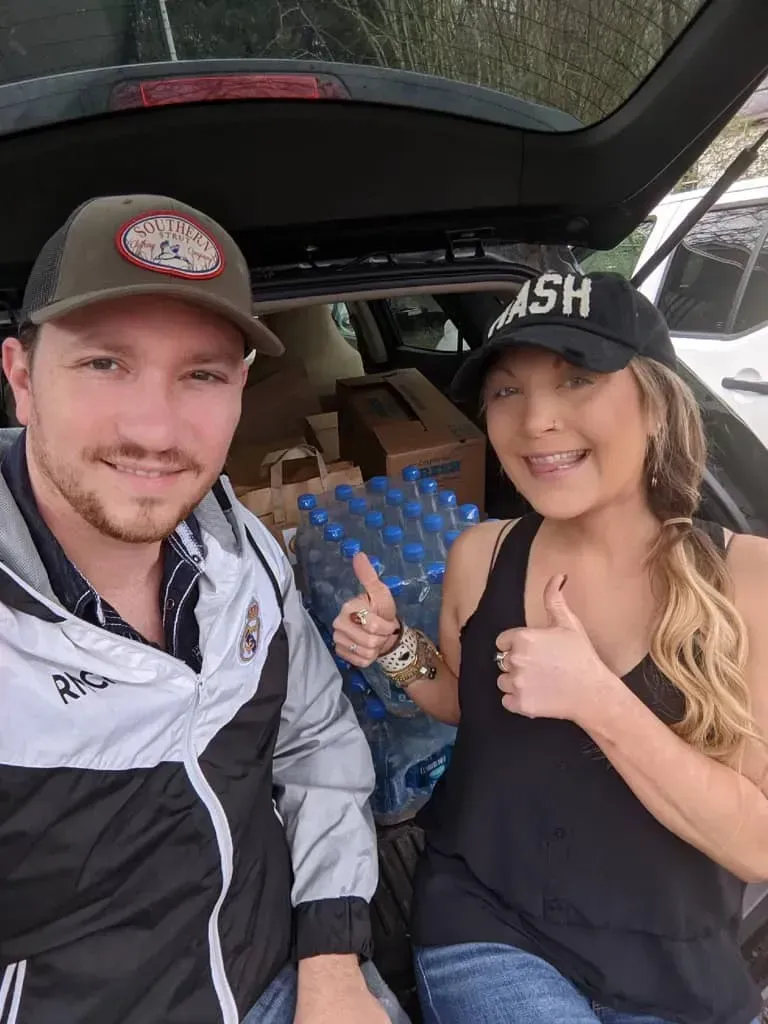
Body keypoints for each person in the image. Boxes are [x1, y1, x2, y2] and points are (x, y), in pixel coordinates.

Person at [0, 194, 406, 1024]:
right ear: (20, 380)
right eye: (104, 364)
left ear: (241, 391)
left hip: (293, 979)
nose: (154, 430)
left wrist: (332, 961)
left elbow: (317, 742)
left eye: (201, 374)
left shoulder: (244, 552)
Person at [333, 271, 768, 1024]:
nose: (536, 421)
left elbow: (757, 848)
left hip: (672, 953)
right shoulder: (482, 554)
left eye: (579, 380)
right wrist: (393, 645)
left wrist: (598, 699)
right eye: (507, 391)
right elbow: (461, 702)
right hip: (488, 921)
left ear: (656, 403)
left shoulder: (747, 579)